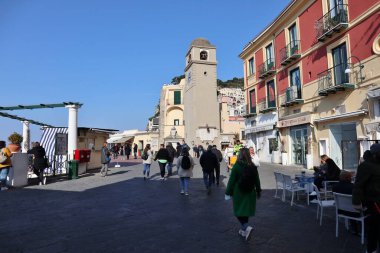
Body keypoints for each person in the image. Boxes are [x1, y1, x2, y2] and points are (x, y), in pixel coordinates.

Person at [225, 147, 262, 241]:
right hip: (250, 192)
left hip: (239, 193)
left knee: (238, 212)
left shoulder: (237, 166)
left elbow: (231, 181)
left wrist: (228, 192)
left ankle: (246, 227)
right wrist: (258, 191)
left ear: (239, 155)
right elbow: (257, 180)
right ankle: (243, 231)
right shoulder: (253, 166)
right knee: (245, 212)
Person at [353, 143, 380, 253]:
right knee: (373, 228)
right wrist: (356, 202)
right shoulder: (366, 166)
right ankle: (371, 250)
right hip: (373, 202)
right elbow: (358, 185)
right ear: (375, 154)